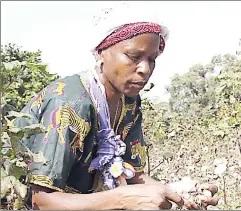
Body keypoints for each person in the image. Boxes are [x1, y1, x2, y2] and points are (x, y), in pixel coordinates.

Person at [14, 3, 219, 210]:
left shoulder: (129, 103)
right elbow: (41, 201)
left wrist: (182, 194)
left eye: (152, 59)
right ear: (102, 51)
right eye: (133, 57)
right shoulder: (70, 103)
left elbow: (134, 176)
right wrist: (122, 199)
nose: (145, 69)